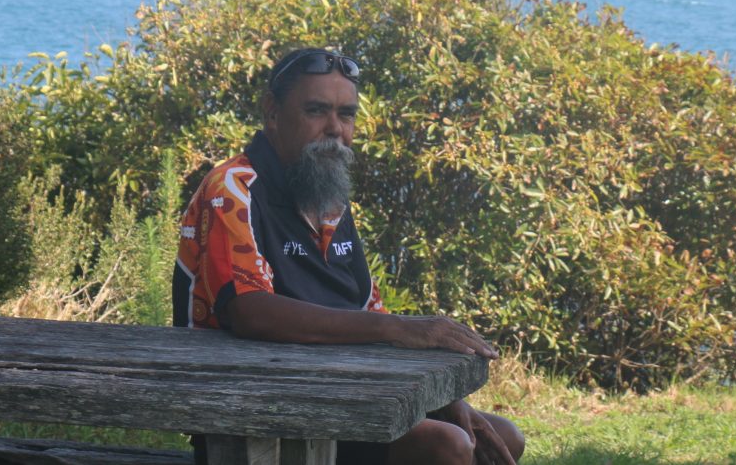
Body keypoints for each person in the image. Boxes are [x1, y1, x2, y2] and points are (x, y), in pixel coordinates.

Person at [174, 47, 524, 465]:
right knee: (446, 447)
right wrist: (400, 328)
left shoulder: (326, 195)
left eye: (347, 114)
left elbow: (363, 307)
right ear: (272, 112)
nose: (334, 128)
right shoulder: (232, 188)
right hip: (254, 409)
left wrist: (440, 397)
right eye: (317, 111)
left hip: (333, 395)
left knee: (501, 438)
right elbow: (250, 310)